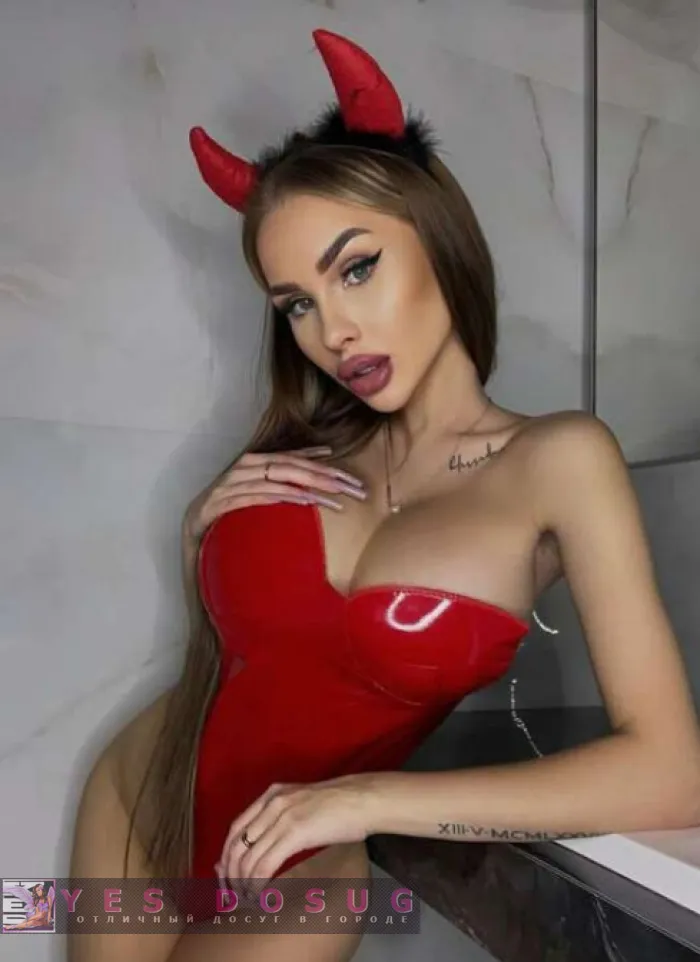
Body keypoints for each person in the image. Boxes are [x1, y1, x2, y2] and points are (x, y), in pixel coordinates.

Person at [68, 28, 700, 962]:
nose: (333, 331)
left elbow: (670, 774)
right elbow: (246, 657)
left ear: (437, 240)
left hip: (305, 869)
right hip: (142, 792)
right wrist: (200, 532)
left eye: (356, 268)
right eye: (297, 303)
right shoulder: (305, 446)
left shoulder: (559, 459)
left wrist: (365, 801)